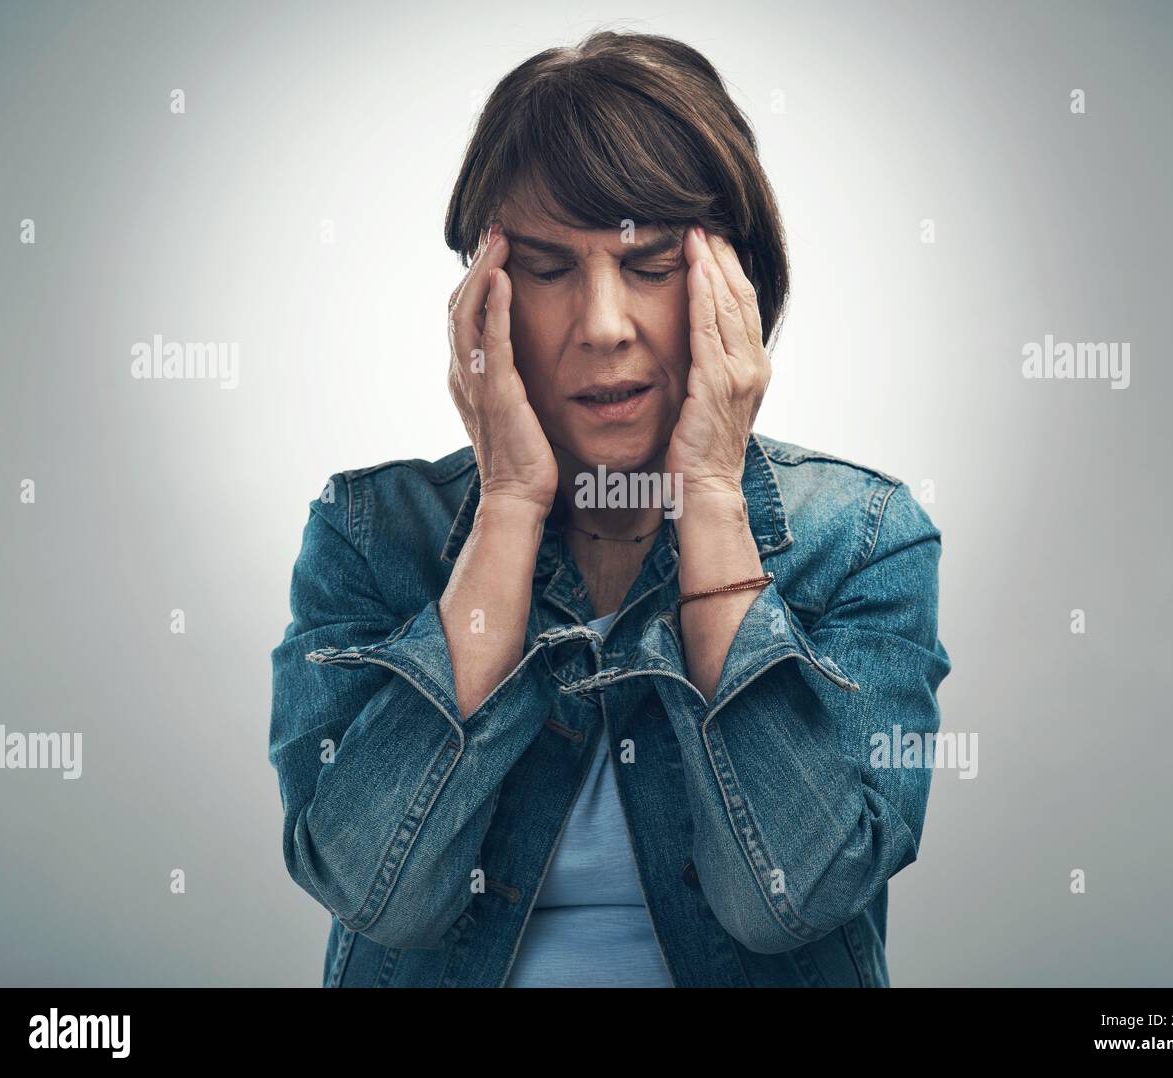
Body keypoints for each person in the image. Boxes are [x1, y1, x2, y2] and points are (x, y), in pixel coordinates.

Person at [269, 28, 951, 988]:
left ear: (738, 283)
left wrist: (711, 493)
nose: (601, 325)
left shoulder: (863, 539)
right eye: (547, 270)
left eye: (651, 264)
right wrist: (507, 502)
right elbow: (378, 892)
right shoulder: (370, 535)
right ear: (484, 296)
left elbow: (793, 895)